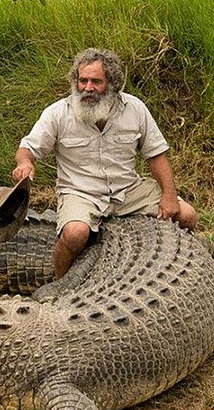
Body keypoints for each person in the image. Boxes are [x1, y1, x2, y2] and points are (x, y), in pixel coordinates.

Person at [12, 48, 197, 279]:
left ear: (112, 83)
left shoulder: (134, 108)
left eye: (96, 81)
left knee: (187, 215)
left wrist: (169, 194)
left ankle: (180, 276)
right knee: (75, 234)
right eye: (82, 80)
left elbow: (156, 155)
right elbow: (27, 149)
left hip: (127, 190)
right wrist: (25, 164)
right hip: (81, 192)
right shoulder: (58, 113)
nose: (87, 88)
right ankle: (59, 283)